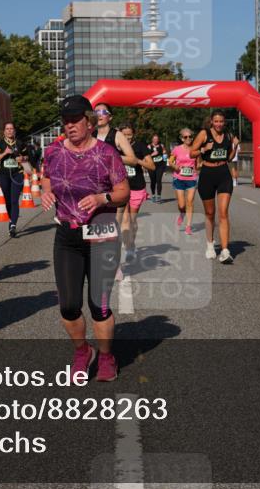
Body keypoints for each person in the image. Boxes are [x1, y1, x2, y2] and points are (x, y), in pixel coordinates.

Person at [41, 95, 130, 383]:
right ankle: (83, 352)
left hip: (101, 232)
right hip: (67, 234)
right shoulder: (53, 152)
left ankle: (106, 357)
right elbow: (46, 178)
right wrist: (46, 192)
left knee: (98, 305)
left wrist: (101, 197)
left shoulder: (106, 153)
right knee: (68, 304)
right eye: (65, 121)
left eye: (75, 120)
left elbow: (123, 193)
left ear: (89, 121)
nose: (70, 125)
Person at [190, 111, 240, 263]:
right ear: (211, 121)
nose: (219, 124)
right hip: (207, 174)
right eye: (216, 121)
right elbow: (192, 153)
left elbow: (229, 158)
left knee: (223, 212)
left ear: (224, 122)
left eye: (221, 121)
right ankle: (210, 244)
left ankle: (225, 250)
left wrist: (235, 146)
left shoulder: (229, 135)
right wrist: (204, 149)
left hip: (223, 173)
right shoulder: (204, 134)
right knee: (210, 213)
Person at [119, 123, 156, 265]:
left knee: (132, 220)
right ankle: (128, 247)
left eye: (130, 135)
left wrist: (137, 160)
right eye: (125, 135)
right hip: (120, 187)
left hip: (137, 187)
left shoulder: (140, 146)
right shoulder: (115, 147)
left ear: (133, 135)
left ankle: (131, 244)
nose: (127, 138)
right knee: (125, 218)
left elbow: (152, 166)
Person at [0, 122, 25, 237]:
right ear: (4, 131)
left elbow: (27, 156)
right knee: (8, 200)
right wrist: (5, 153)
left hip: (17, 174)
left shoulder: (20, 143)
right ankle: (11, 219)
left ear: (14, 131)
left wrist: (23, 158)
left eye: (11, 129)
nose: (9, 131)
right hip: (4, 175)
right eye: (7, 129)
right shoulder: (0, 144)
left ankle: (13, 225)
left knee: (14, 200)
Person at [170, 128, 198, 235]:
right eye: (186, 137)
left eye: (190, 136)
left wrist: (199, 166)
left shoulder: (195, 149)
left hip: (192, 178)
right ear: (182, 138)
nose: (188, 139)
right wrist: (175, 167)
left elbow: (198, 163)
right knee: (182, 205)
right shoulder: (177, 149)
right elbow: (170, 161)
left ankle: (188, 226)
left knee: (190, 202)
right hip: (179, 178)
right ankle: (182, 213)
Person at [146, 134, 167, 203]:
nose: (155, 140)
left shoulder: (162, 146)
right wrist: (152, 154)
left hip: (160, 166)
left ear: (158, 140)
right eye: (154, 139)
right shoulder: (149, 147)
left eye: (157, 139)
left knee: (158, 180)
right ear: (152, 140)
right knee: (153, 181)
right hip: (151, 166)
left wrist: (164, 154)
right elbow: (146, 157)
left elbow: (165, 156)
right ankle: (153, 195)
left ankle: (159, 196)